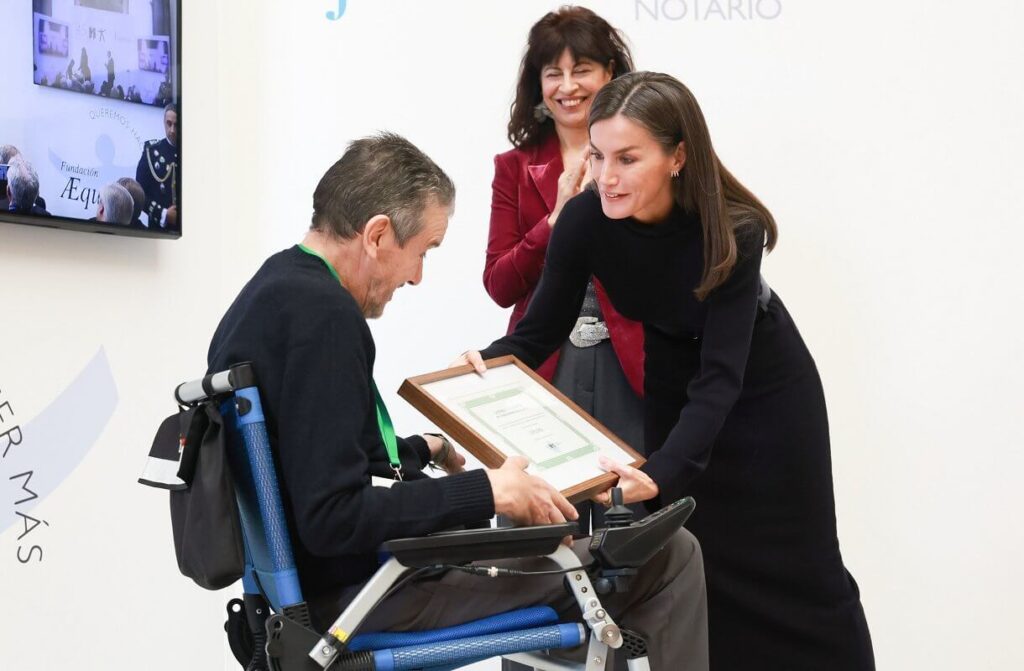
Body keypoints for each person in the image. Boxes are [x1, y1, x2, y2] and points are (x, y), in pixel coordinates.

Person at [206, 132, 708, 669]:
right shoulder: (325, 320)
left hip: (322, 590)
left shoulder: (274, 289)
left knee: (545, 549)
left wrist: (423, 448)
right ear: (378, 234)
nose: (417, 277)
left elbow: (311, 449)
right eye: (422, 252)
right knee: (670, 553)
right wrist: (486, 491)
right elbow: (334, 517)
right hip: (368, 597)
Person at [456, 72, 874, 669]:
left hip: (765, 394)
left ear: (678, 156)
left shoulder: (734, 229)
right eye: (598, 156)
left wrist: (664, 471)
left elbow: (723, 376)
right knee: (702, 572)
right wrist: (481, 366)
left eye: (628, 159)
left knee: (800, 572)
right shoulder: (583, 220)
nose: (606, 176)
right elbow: (535, 333)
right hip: (676, 383)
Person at [486, 6, 645, 533]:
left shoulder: (644, 155)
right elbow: (500, 282)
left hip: (634, 359)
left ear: (611, 75)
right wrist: (556, 219)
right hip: (547, 364)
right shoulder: (513, 168)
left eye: (582, 70)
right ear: (537, 84)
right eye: (552, 72)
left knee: (635, 515)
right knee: (544, 521)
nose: (567, 86)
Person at [135, 103, 179, 230]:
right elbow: (139, 195)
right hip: (159, 230)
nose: (172, 130)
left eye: (176, 125)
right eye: (169, 124)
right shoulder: (152, 152)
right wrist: (163, 214)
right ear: (163, 123)